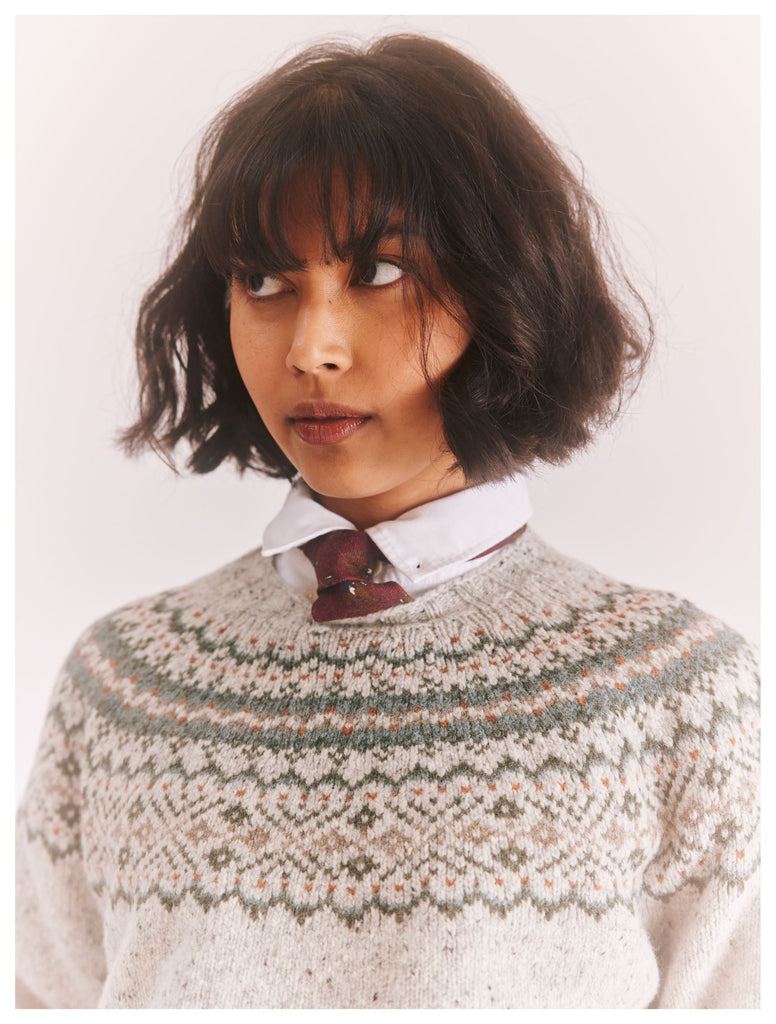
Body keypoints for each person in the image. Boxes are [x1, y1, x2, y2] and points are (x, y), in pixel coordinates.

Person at [15, 34, 759, 1009]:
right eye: (265, 283)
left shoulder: (676, 695)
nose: (312, 348)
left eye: (378, 272)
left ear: (505, 289)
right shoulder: (122, 686)